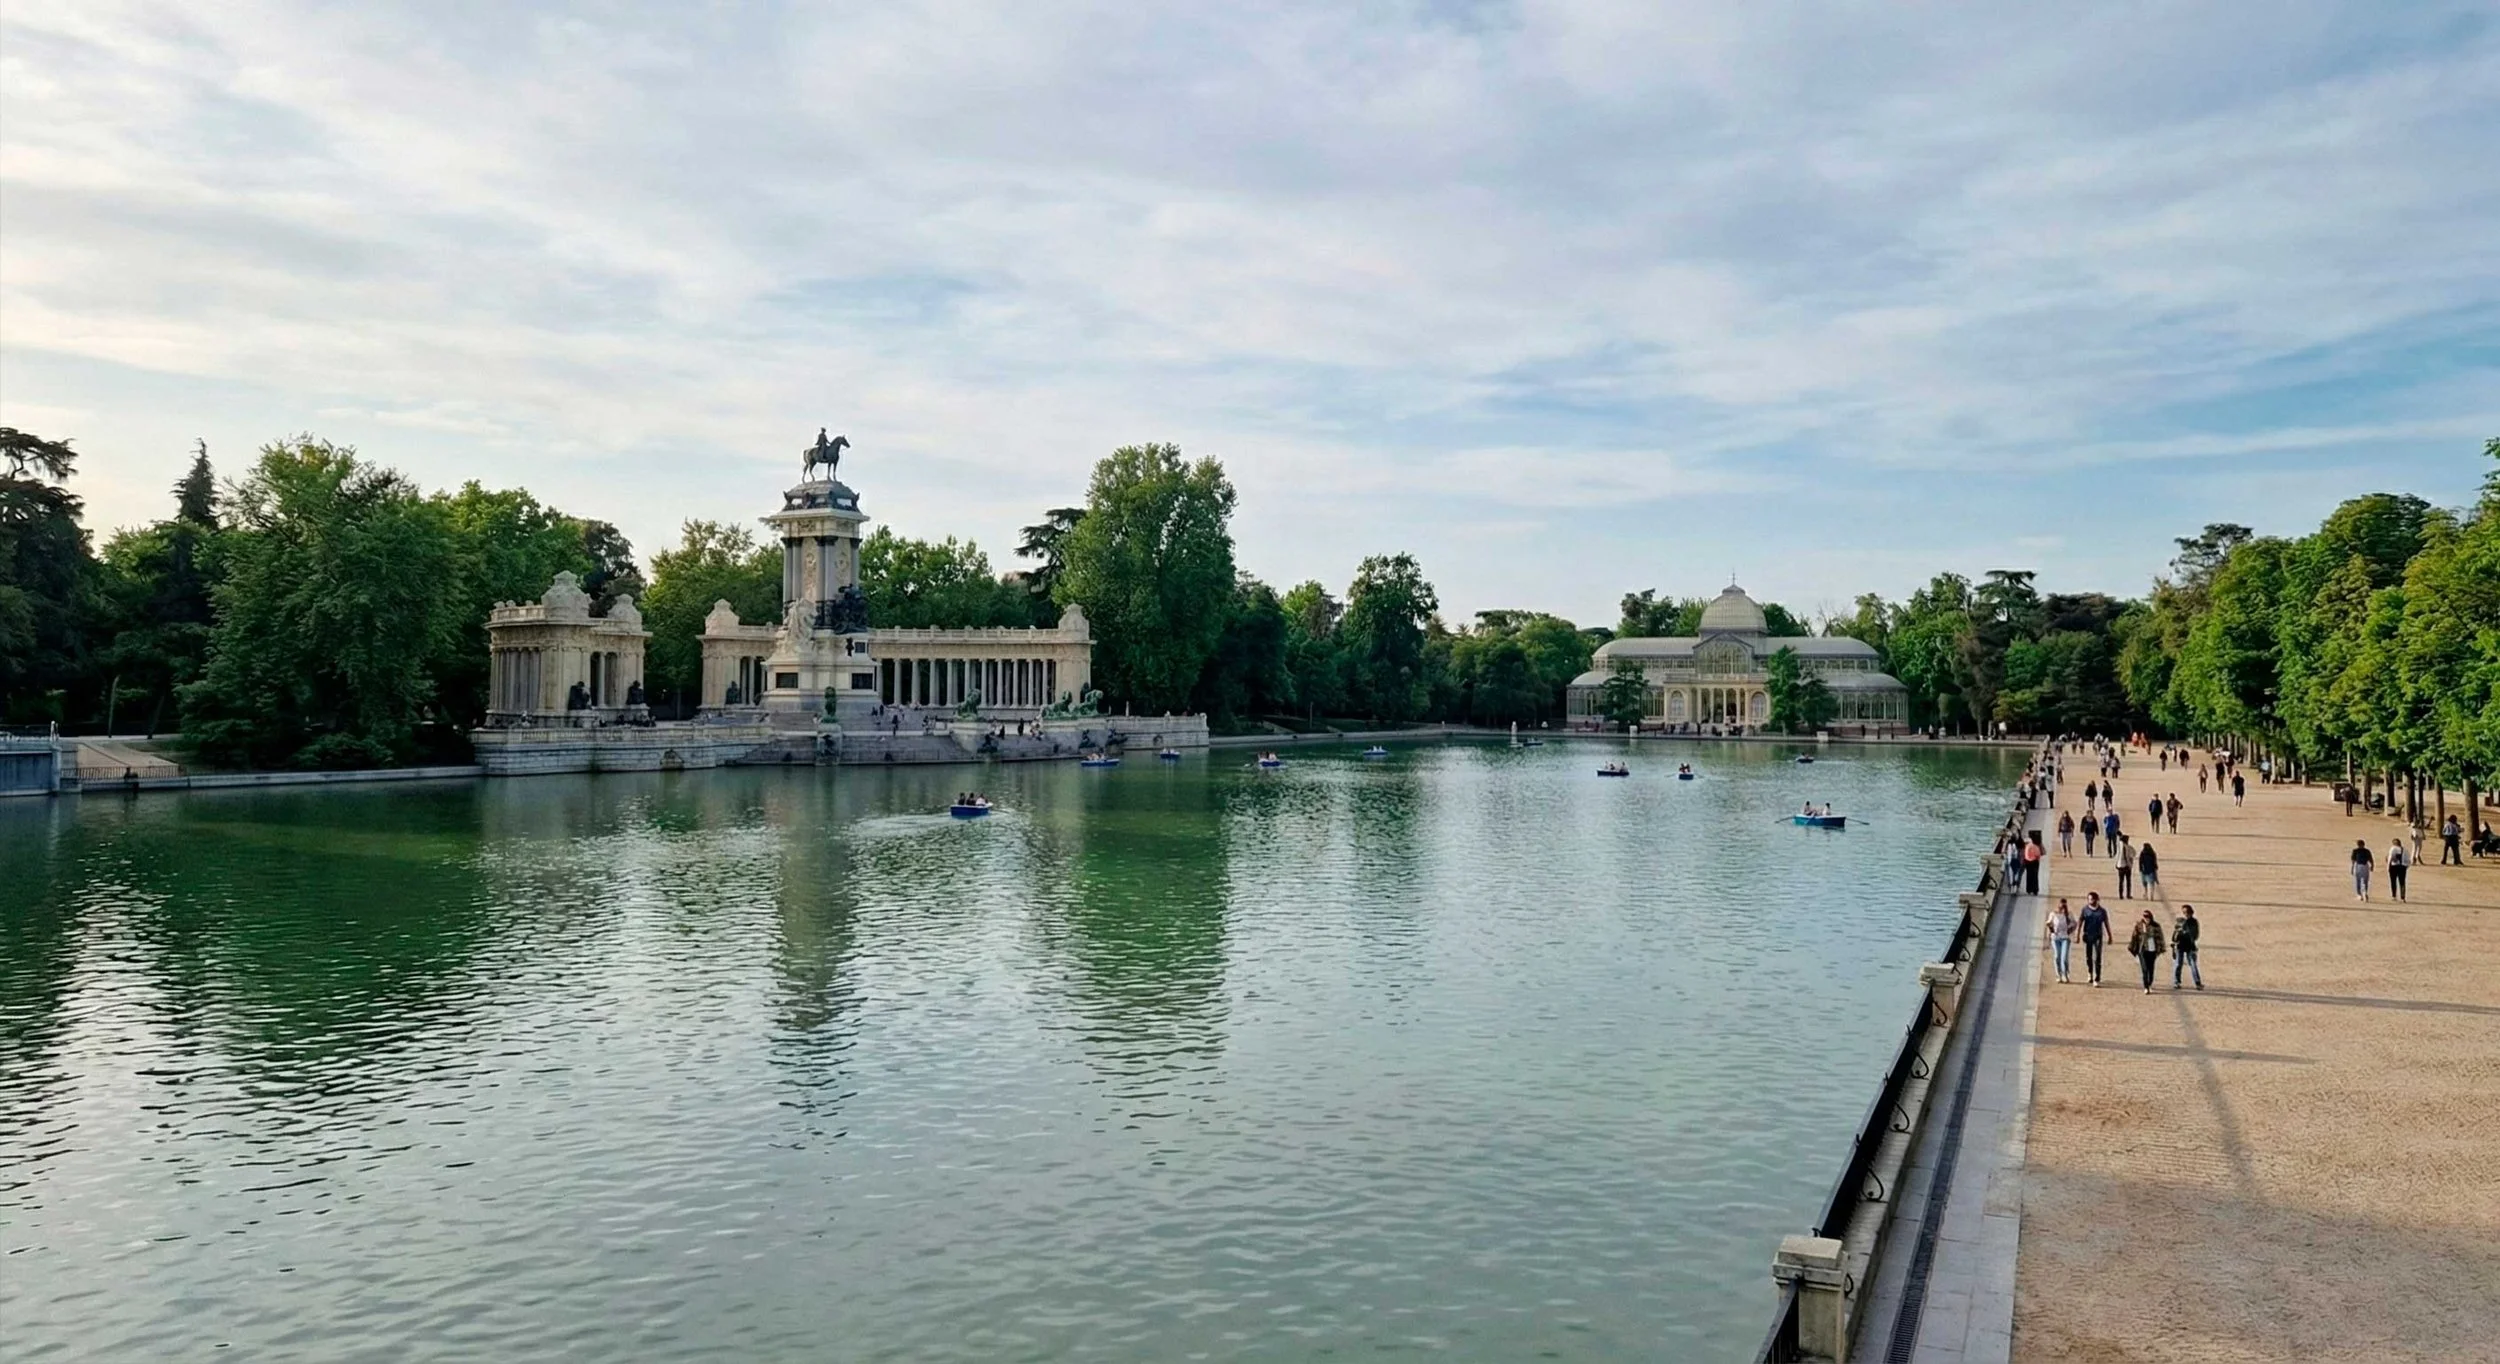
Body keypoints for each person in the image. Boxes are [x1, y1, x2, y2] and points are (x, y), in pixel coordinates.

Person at [2128, 909, 2165, 993]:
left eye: (2147, 916)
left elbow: (2160, 937)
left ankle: (2149, 983)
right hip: (2142, 949)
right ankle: (2146, 986)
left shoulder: (2156, 926)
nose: (2146, 918)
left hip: (2152, 949)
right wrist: (2133, 947)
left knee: (2151, 968)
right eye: (2144, 916)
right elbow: (2134, 936)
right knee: (2144, 968)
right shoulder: (2139, 925)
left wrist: (2161, 948)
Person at [2080, 893, 2112, 986]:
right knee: (2088, 956)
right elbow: (2080, 921)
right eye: (2089, 899)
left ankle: (2097, 977)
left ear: (2096, 900)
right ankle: (2090, 972)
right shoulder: (2085, 910)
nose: (2090, 901)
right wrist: (2078, 934)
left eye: (2092, 899)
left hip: (2098, 936)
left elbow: (2106, 923)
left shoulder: (2102, 911)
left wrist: (2110, 936)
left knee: (2098, 957)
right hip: (2088, 935)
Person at [2171, 905, 2203, 990]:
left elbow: (2195, 935)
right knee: (2178, 964)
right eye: (2184, 912)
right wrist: (2174, 942)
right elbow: (2175, 934)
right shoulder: (2180, 921)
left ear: (2191, 913)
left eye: (2187, 912)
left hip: (2190, 946)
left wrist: (2186, 933)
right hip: (2180, 945)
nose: (2185, 914)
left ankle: (2197, 982)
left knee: (2193, 965)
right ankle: (2176, 982)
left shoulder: (2194, 922)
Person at [2047, 898, 2077, 983]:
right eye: (2061, 905)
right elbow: (2049, 922)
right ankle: (2058, 974)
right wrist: (2050, 927)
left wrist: (2070, 930)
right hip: (2056, 938)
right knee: (2057, 956)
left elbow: (2074, 923)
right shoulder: (2053, 914)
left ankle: (2065, 974)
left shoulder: (2069, 914)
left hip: (2065, 938)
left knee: (2064, 957)